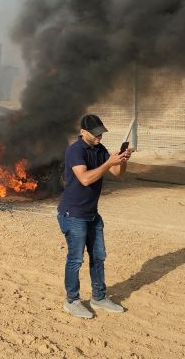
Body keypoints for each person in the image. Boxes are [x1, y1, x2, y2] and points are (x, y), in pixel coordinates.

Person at [57, 114, 132, 319]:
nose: (100, 136)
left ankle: (98, 297)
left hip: (92, 214)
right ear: (83, 132)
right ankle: (72, 301)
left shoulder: (100, 149)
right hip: (73, 214)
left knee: (98, 257)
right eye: (96, 133)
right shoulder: (75, 151)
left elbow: (118, 174)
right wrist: (109, 163)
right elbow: (85, 179)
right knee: (75, 259)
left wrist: (122, 160)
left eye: (101, 132)